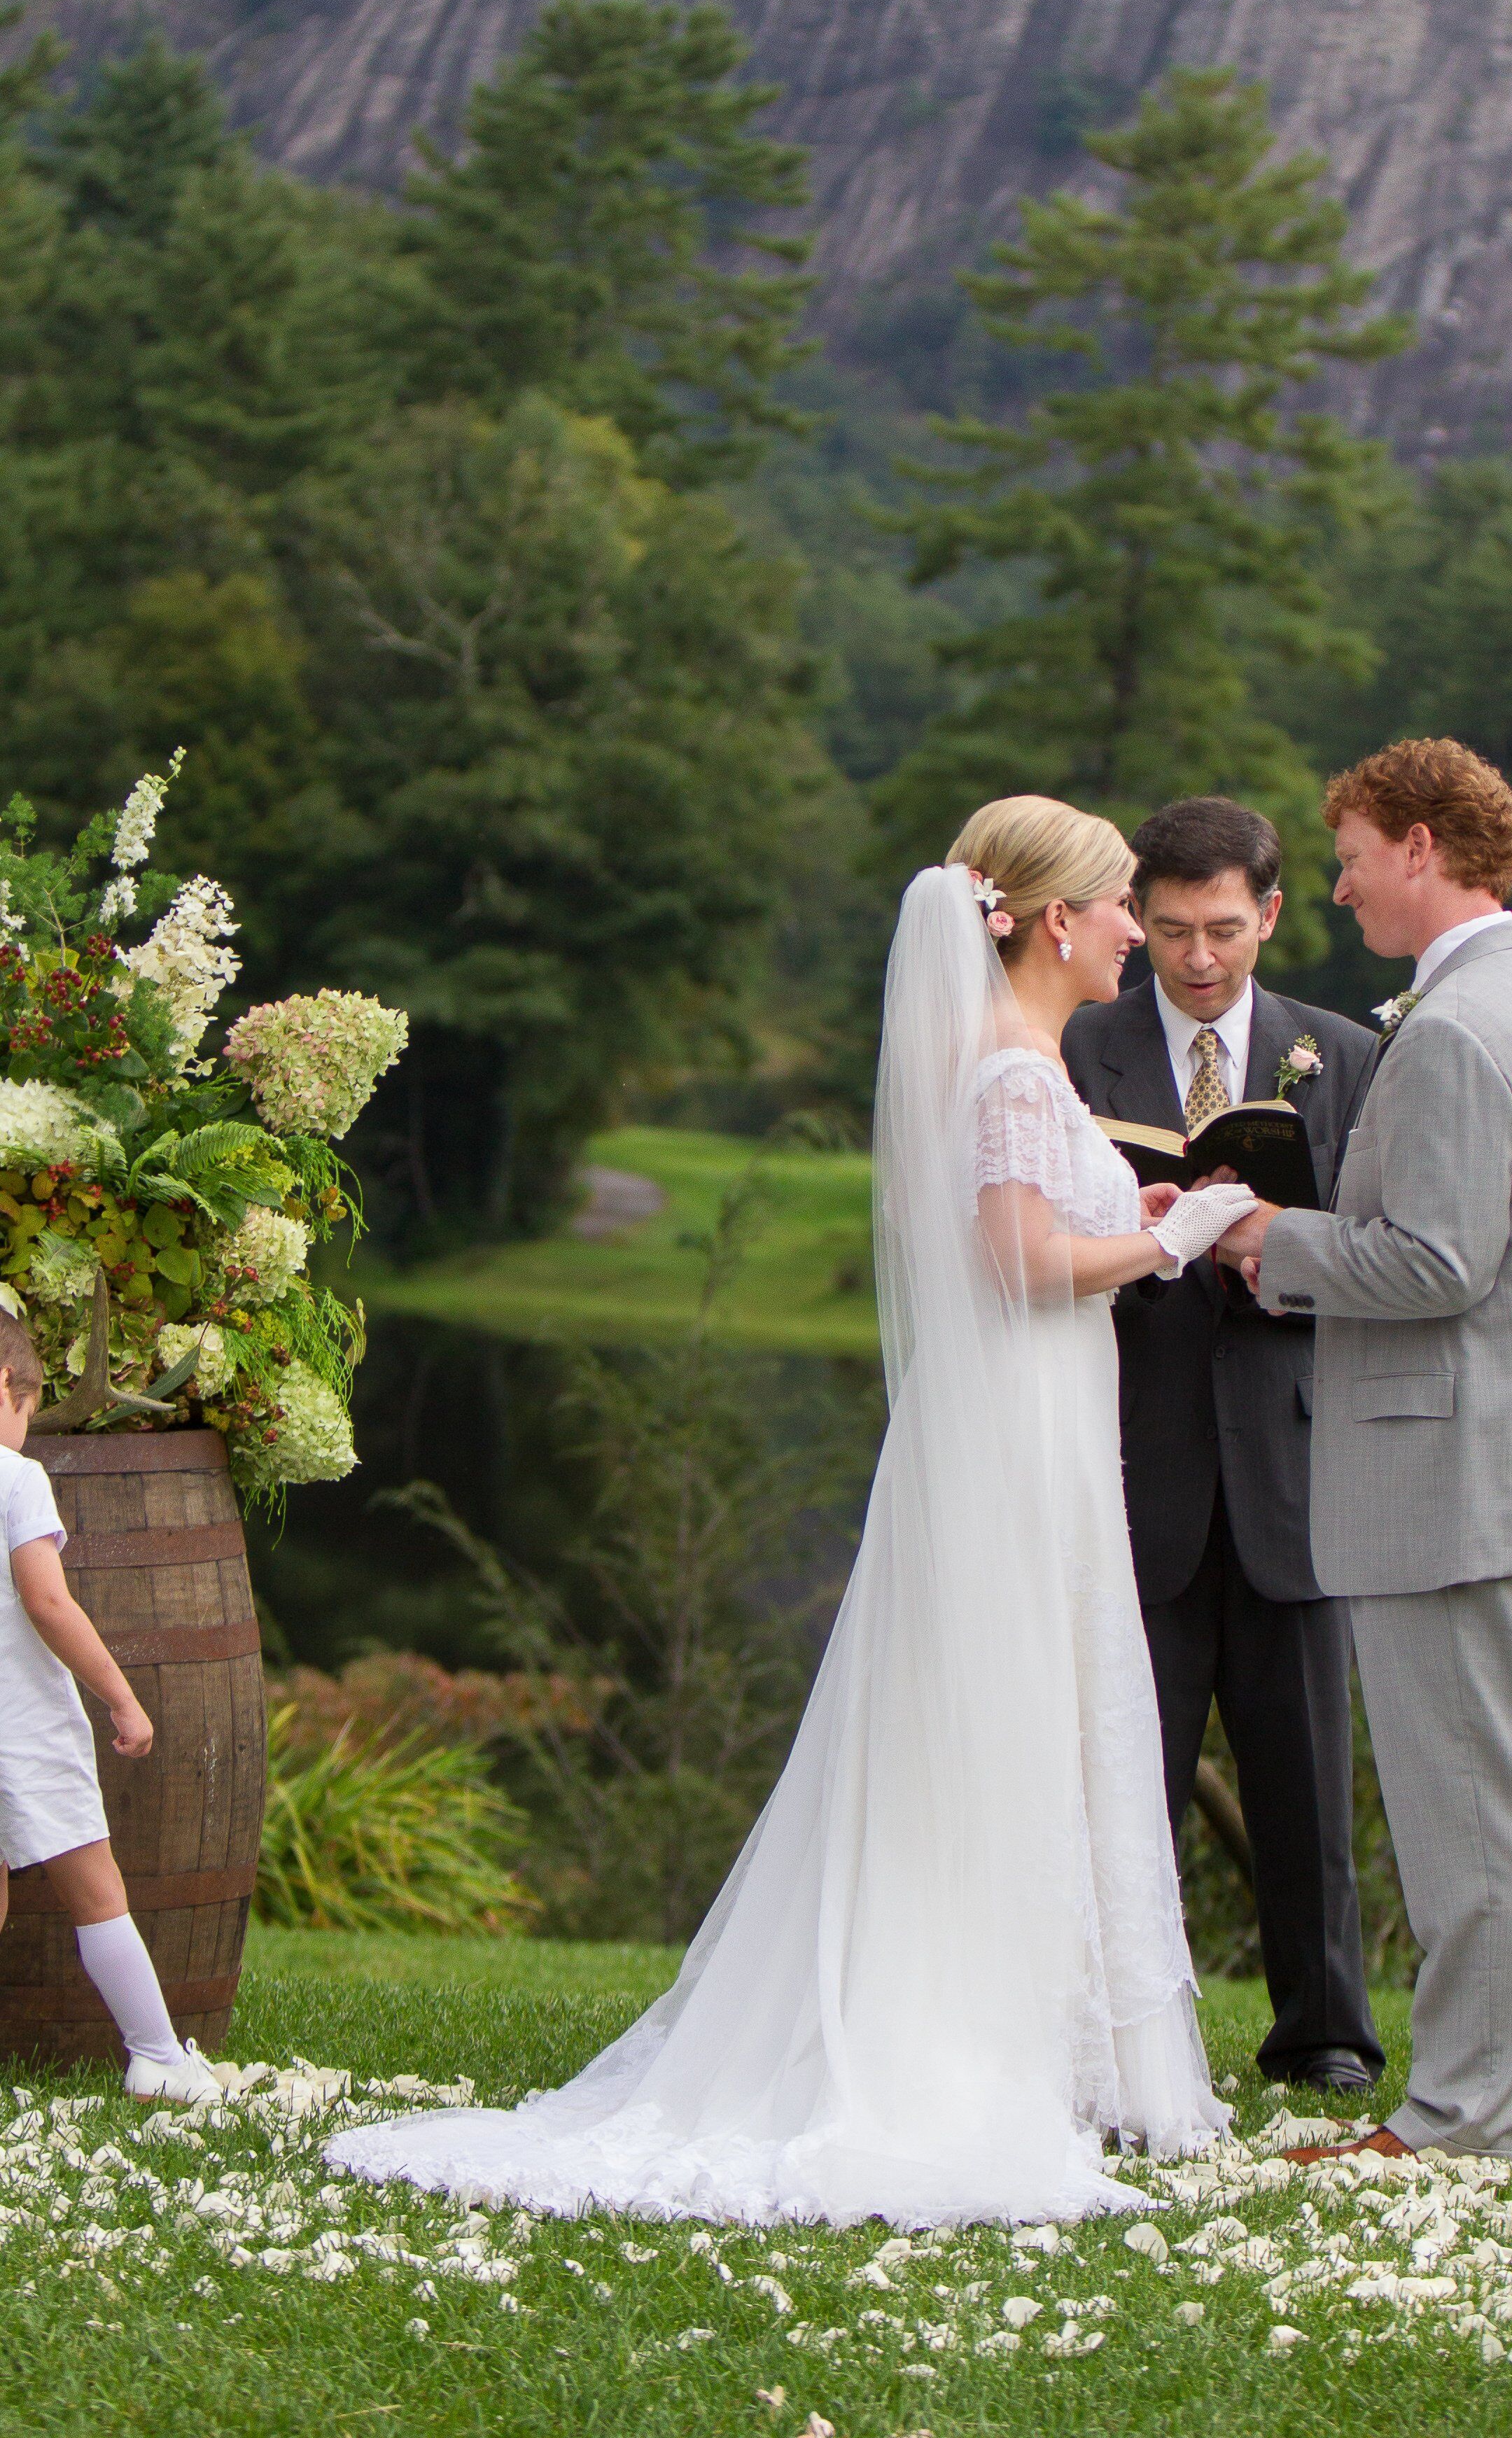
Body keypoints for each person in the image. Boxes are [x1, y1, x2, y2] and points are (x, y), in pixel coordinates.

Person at [328, 797, 1256, 2229]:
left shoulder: (1024, 1066)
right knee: (1006, 1705)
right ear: (1056, 920)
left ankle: (1046, 2037)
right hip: (1016, 1434)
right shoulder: (1014, 1077)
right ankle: (968, 2042)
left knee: (1028, 1703)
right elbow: (1016, 1263)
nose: (1141, 930)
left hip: (1036, 1423)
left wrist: (1128, 1210)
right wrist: (1169, 1236)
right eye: (1127, 902)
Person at [1215, 738, 1512, 2167]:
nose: (1337, 886)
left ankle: (1465, 2121)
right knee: (1503, 1804)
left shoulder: (1458, 1027)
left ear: (1425, 848)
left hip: (1455, 1474)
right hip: (1505, 1466)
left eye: (1352, 855)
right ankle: (1481, 2107)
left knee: (1474, 1818)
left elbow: (1443, 1262)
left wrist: (1275, 1239)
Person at [1063, 794, 1383, 2101]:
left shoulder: (1341, 1056)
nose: (1200, 959)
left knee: (1303, 1775)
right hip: (1135, 1460)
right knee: (1121, 1779)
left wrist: (1283, 1270)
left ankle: (1324, 2034)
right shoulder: (1080, 1046)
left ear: (1270, 913)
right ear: (1136, 914)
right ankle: (1121, 2036)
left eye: (1225, 930)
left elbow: (1381, 1251)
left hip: (1291, 1461)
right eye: (1175, 929)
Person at [0, 1310, 223, 2104]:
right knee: (98, 1892)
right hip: (21, 1726)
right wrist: (122, 1698)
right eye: (27, 1410)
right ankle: (158, 2055)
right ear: (6, 1386)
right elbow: (48, 1603)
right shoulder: (16, 1479)